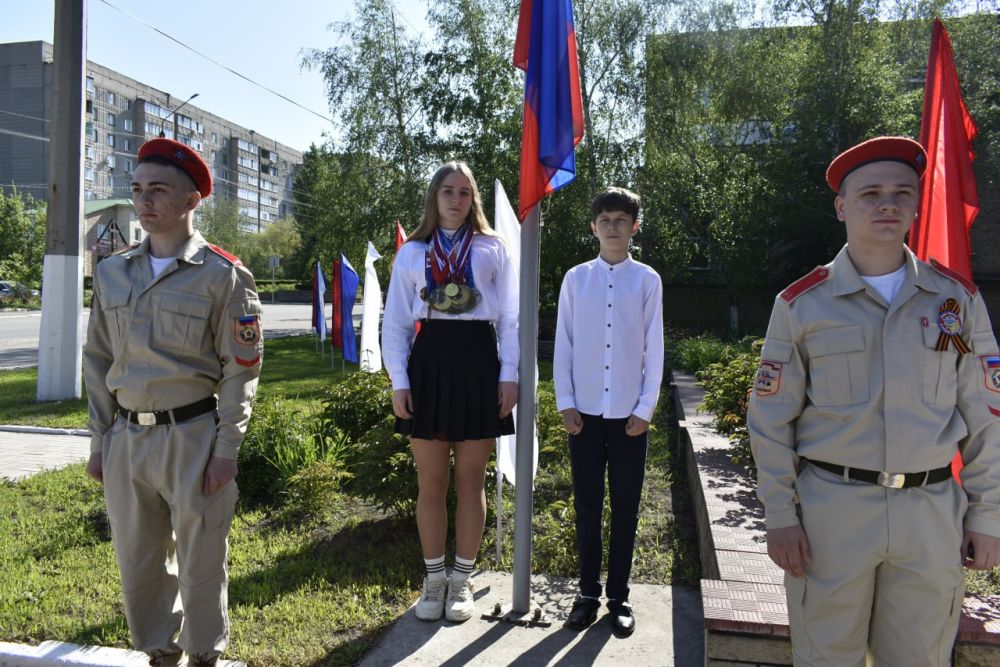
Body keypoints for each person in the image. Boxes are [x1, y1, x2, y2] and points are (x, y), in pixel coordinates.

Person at [748, 136, 1000, 666]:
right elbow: (770, 419)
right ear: (842, 207)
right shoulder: (802, 305)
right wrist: (779, 515)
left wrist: (989, 514)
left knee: (919, 659)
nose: (887, 203)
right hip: (832, 516)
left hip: (931, 516)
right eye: (870, 193)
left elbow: (986, 415)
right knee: (826, 657)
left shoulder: (955, 301)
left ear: (916, 204)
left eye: (901, 192)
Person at [83, 138, 263, 667]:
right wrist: (100, 442)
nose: (144, 201)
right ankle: (159, 652)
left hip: (193, 438)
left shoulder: (224, 275)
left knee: (202, 561)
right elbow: (97, 359)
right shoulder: (113, 271)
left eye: (158, 189)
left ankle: (204, 653)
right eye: (137, 189)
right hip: (127, 441)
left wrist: (226, 448)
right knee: (137, 561)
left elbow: (241, 371)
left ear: (191, 200)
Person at [381, 161, 518, 623]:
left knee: (471, 479)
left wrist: (510, 375)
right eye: (447, 192)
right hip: (430, 363)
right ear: (433, 197)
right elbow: (396, 323)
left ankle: (462, 579)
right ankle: (434, 578)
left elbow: (511, 319)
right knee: (431, 483)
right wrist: (399, 380)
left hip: (481, 360)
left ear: (473, 198)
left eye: (464, 192)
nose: (456, 200)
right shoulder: (411, 253)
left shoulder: (493, 248)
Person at [554, 187, 664, 637]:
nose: (614, 227)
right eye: (606, 220)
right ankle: (586, 595)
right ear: (593, 227)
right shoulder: (576, 279)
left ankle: (619, 597)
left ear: (634, 227)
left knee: (625, 507)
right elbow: (564, 343)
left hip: (628, 417)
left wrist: (645, 408)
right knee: (586, 505)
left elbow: (654, 348)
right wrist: (565, 401)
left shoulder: (647, 280)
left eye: (622, 219)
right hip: (584, 414)